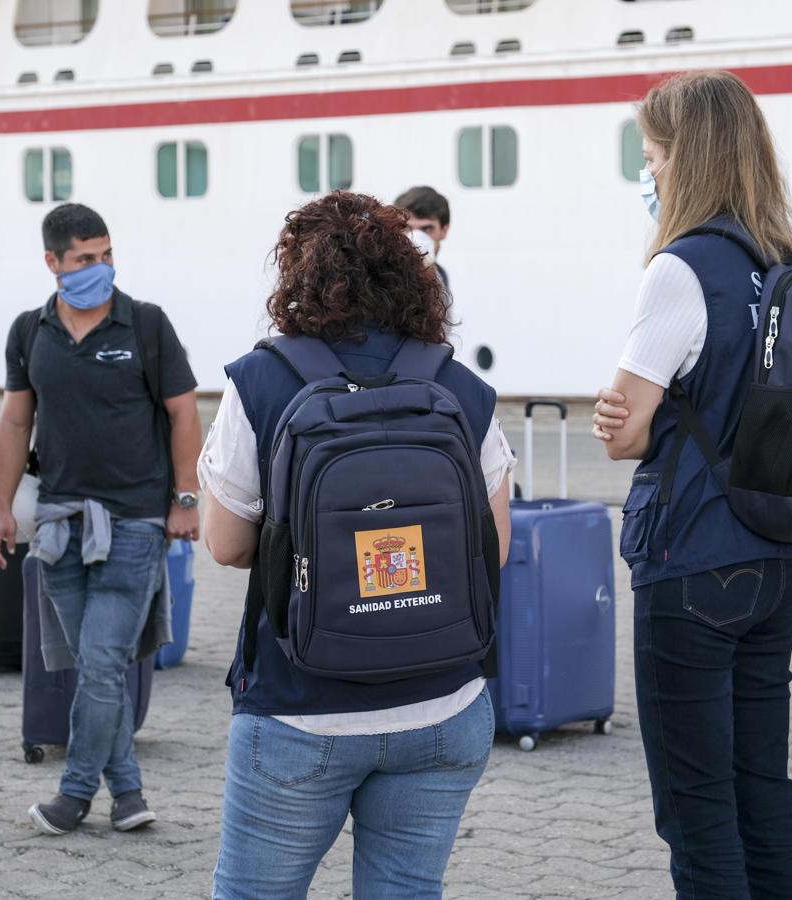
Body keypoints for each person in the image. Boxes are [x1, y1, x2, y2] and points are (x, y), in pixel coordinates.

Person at [199, 191, 514, 899]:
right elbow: (491, 548)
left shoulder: (261, 381)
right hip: (444, 707)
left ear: (295, 278)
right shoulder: (461, 386)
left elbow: (223, 543)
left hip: (300, 708)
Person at [591, 72, 792, 899]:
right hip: (775, 559)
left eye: (650, 156)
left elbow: (626, 433)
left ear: (685, 159)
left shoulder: (680, 271)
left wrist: (613, 423)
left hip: (692, 566)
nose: (646, 173)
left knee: (697, 814)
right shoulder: (785, 267)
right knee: (765, 799)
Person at [0, 202, 202, 836]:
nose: (100, 268)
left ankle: (74, 795)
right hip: (57, 523)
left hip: (135, 521)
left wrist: (185, 500)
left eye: (106, 255)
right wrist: (1, 507)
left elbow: (185, 415)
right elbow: (15, 421)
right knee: (93, 666)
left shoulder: (148, 325)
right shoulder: (30, 332)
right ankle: (129, 792)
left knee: (104, 661)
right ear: (53, 263)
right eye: (85, 259)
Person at [394, 185, 452, 291]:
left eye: (426, 229)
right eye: (406, 228)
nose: (415, 237)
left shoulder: (441, 276)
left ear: (444, 230)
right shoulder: (381, 284)